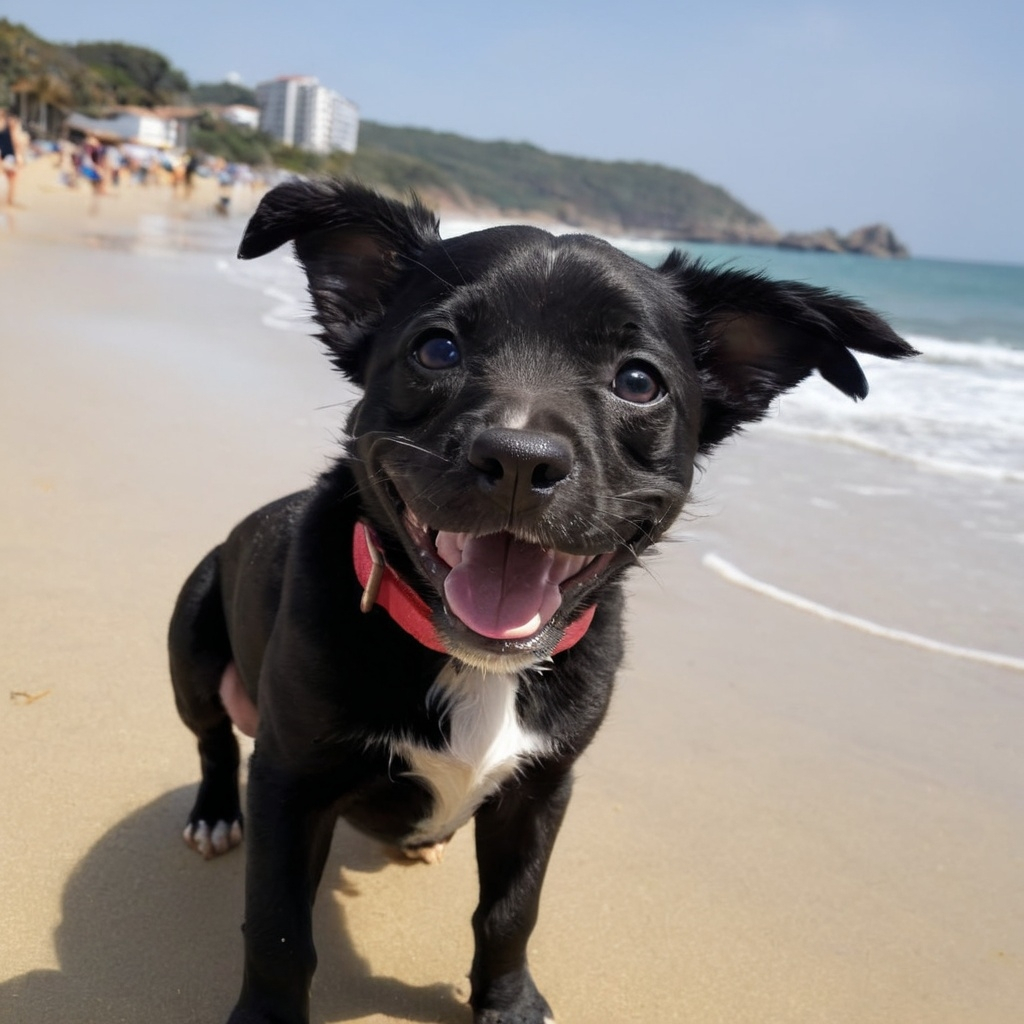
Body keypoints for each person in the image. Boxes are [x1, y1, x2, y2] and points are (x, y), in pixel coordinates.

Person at [0, 110, 27, 207]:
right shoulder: (9, 125)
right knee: (12, 178)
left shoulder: (8, 125)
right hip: (9, 155)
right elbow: (16, 141)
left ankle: (9, 200)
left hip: (6, 155)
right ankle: (9, 200)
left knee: (10, 178)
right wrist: (19, 156)